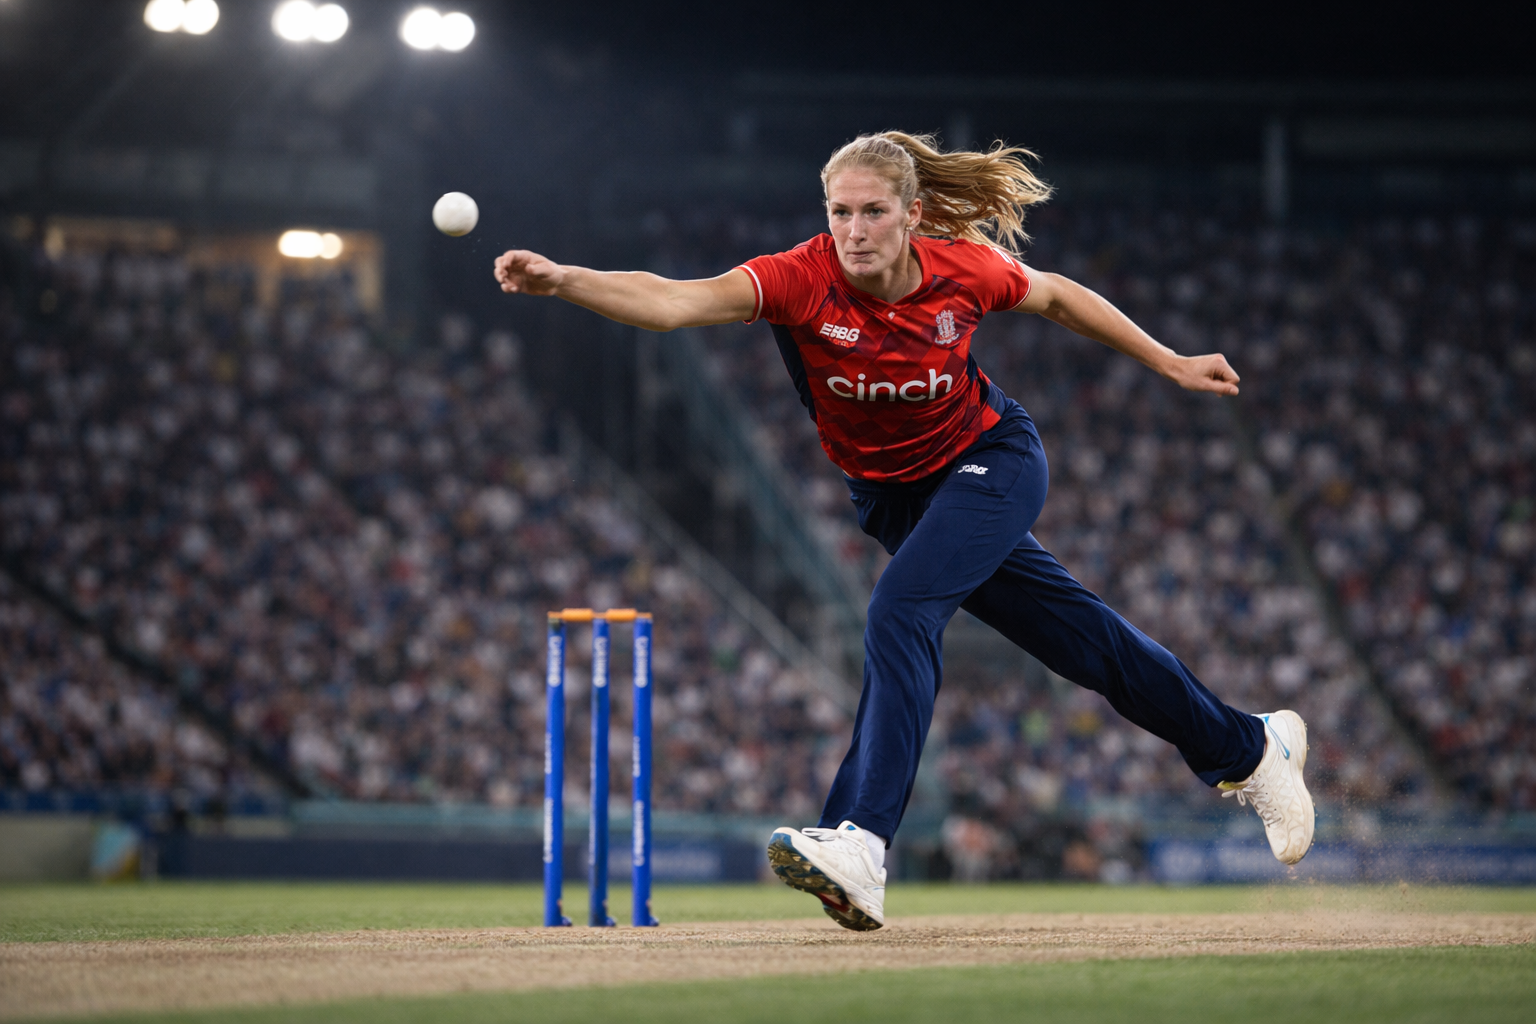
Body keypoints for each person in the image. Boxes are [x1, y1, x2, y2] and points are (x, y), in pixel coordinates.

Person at [493, 132, 1314, 931]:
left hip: (994, 460)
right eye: (839, 213)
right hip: (893, 500)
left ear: (914, 215)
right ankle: (1249, 748)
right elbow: (673, 301)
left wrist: (1167, 361)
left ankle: (861, 842)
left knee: (898, 612)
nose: (853, 231)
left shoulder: (966, 269)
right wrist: (566, 280)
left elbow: (1060, 294)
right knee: (1085, 644)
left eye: (873, 212)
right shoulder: (799, 279)